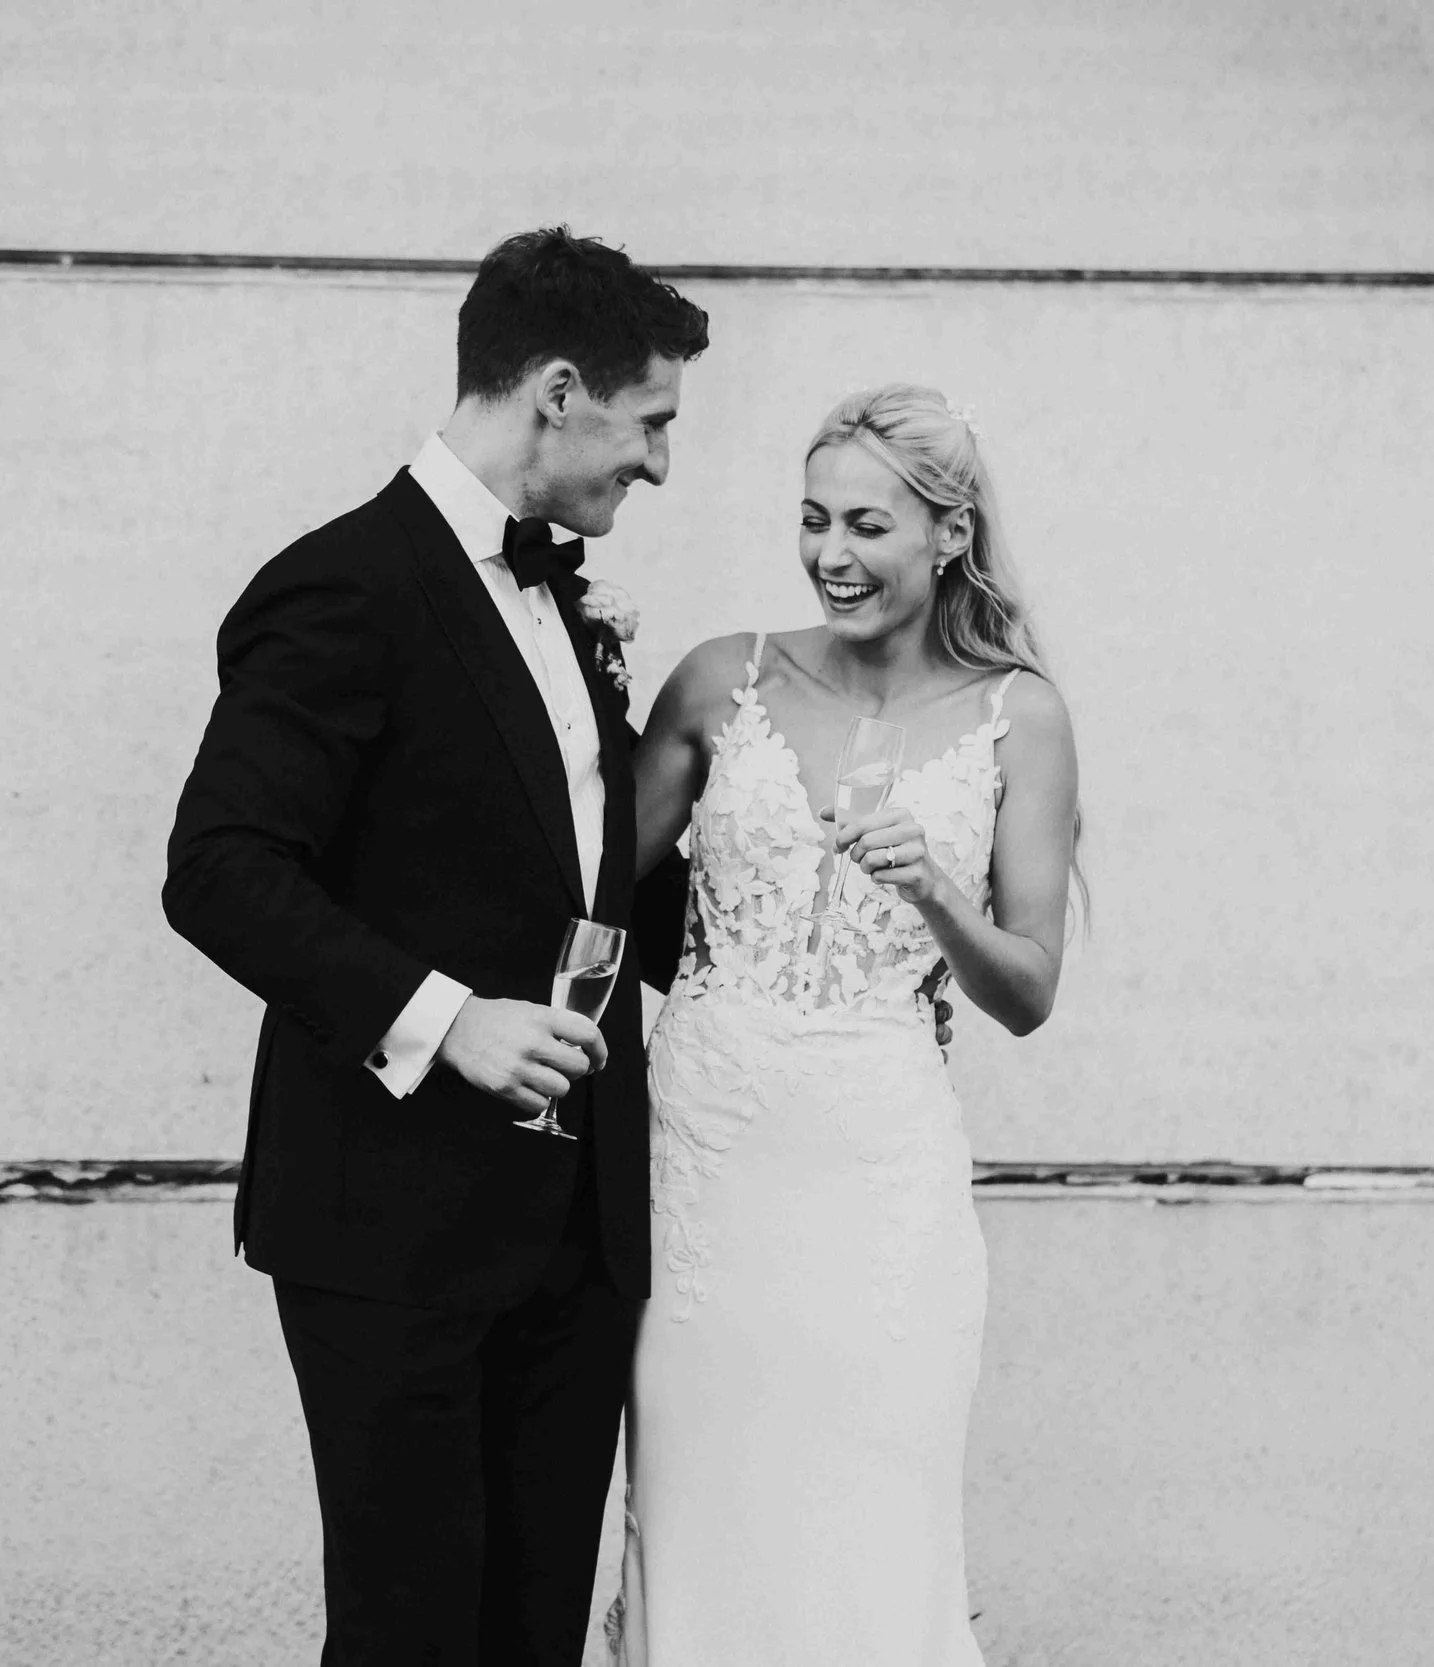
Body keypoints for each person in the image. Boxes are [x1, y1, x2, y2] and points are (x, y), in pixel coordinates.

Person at [160, 226, 708, 1667]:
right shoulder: (344, 584)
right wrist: (444, 1015)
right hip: (390, 1228)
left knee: (529, 1635)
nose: (656, 464)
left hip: (575, 1232)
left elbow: (588, 874)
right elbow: (220, 868)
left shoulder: (564, 595)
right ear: (559, 388)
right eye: (650, 424)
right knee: (412, 1635)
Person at [616, 384, 1083, 1664]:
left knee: (872, 1522)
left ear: (946, 534)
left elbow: (1029, 989)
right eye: (812, 519)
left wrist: (935, 886)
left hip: (880, 1179)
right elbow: (584, 878)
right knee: (704, 1509)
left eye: (867, 524)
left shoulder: (1018, 717)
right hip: (705, 1166)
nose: (831, 553)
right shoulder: (724, 679)